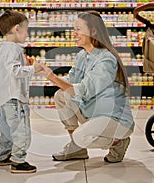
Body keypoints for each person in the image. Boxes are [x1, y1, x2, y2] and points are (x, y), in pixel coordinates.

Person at [38, 11, 135, 163]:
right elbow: (69, 82)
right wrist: (46, 73)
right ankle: (77, 149)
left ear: (93, 31)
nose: (74, 33)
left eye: (78, 29)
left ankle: (118, 143)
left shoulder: (106, 60)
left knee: (80, 137)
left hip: (114, 119)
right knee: (61, 96)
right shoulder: (83, 56)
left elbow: (84, 90)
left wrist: (52, 76)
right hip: (93, 114)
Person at [0, 10, 42, 173]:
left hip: (3, 98)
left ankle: (4, 155)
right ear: (16, 29)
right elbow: (14, 71)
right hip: (14, 98)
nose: (27, 34)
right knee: (21, 130)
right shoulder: (13, 48)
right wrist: (32, 68)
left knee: (6, 129)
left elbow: (7, 70)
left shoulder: (2, 49)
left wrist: (25, 64)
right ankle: (18, 161)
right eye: (26, 29)